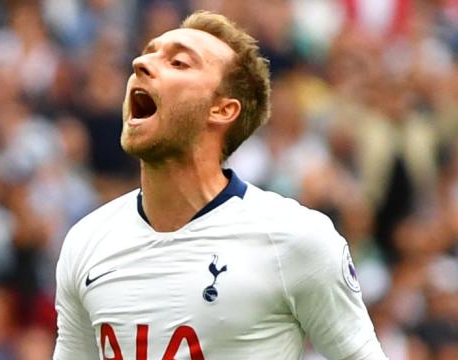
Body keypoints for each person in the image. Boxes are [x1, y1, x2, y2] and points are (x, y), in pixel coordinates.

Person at [53, 10, 386, 359]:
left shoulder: (295, 238)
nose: (141, 63)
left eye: (179, 63)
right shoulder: (86, 242)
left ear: (222, 110)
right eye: (148, 52)